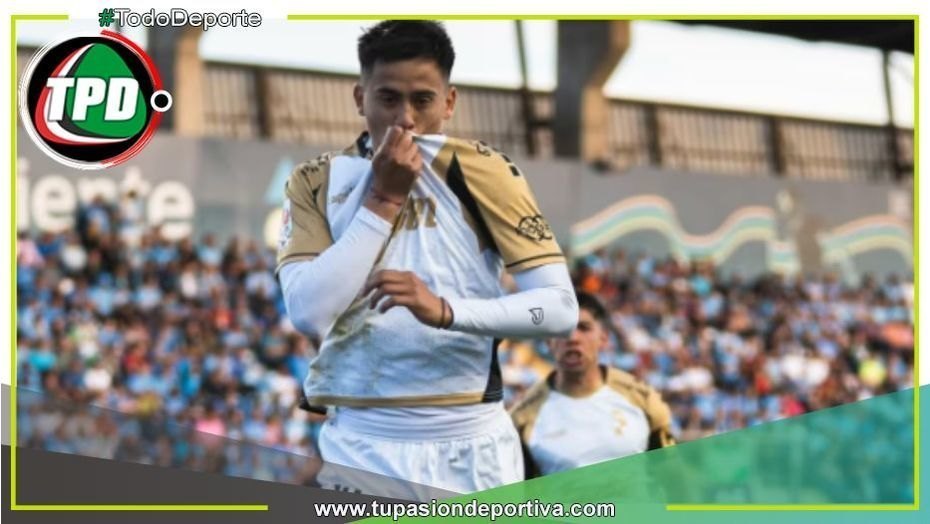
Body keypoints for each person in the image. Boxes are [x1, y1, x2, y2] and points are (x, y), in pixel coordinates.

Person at [277, 20, 578, 495]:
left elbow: (560, 309)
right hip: (364, 444)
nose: (406, 120)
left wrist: (444, 310)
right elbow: (309, 312)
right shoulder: (315, 180)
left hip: (472, 445)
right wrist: (383, 201)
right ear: (360, 98)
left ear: (449, 102)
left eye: (423, 100)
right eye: (388, 99)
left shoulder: (488, 172)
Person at [510, 292, 675, 478]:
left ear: (603, 338)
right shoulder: (523, 418)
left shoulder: (643, 399)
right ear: (548, 341)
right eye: (562, 329)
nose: (573, 338)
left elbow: (670, 474)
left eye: (584, 328)